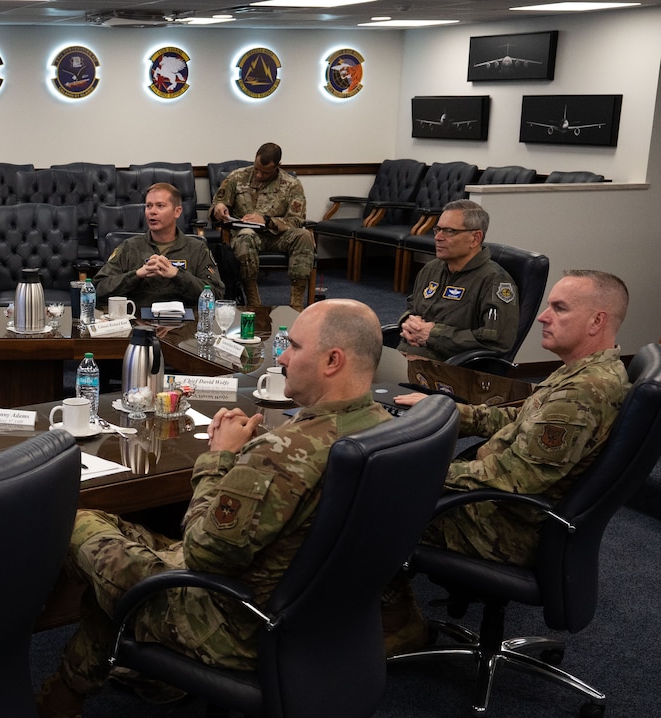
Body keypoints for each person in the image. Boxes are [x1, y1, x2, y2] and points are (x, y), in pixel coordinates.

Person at [36, 299, 390, 718]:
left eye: (293, 346)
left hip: (231, 624)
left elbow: (203, 550)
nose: (281, 356)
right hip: (320, 617)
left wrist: (220, 457)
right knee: (115, 559)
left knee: (78, 524)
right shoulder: (387, 427)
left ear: (333, 360)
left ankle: (67, 692)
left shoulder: (284, 453)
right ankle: (95, 687)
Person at [384, 270, 631, 654]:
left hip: (509, 524)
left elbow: (515, 479)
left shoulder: (581, 395)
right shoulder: (584, 371)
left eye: (559, 308)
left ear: (597, 321)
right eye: (548, 305)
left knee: (374, 503)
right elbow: (517, 420)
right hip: (514, 507)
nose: (544, 316)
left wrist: (419, 474)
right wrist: (448, 408)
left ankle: (399, 625)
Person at [397, 200, 519, 361]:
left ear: (475, 238)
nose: (438, 237)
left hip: (447, 365)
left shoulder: (495, 281)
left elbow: (496, 340)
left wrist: (434, 335)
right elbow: (412, 306)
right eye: (438, 229)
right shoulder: (431, 269)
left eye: (449, 231)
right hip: (405, 354)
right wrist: (408, 323)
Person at [210, 143, 315, 310]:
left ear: (278, 166)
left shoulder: (292, 184)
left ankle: (296, 302)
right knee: (245, 236)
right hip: (246, 234)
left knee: (304, 236)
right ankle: (253, 300)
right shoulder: (237, 177)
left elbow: (296, 220)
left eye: (265, 172)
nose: (259, 175)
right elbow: (217, 203)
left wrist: (267, 221)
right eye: (257, 168)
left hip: (277, 236)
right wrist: (218, 209)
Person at [92, 182, 224, 306]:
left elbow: (216, 294)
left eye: (160, 206)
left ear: (177, 211)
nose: (152, 211)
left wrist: (177, 275)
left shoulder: (197, 248)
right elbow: (98, 288)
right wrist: (136, 275)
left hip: (185, 325)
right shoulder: (129, 247)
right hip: (139, 322)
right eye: (148, 206)